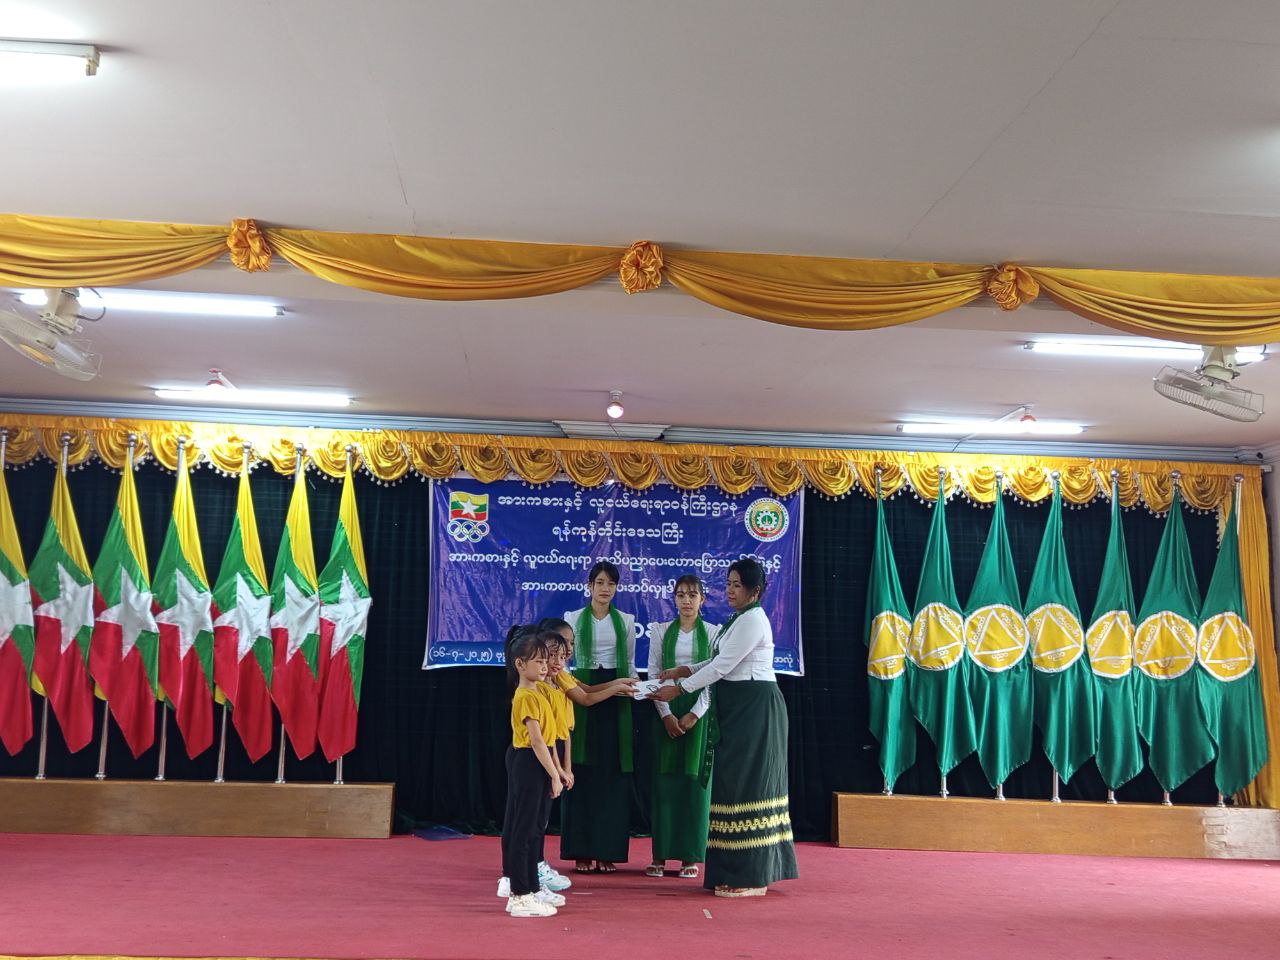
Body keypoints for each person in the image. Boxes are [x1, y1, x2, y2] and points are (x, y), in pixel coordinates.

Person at [650, 558, 799, 897]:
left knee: (749, 786)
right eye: (728, 583)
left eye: (736, 585)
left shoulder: (754, 620)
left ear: (754, 591)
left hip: (755, 709)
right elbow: (717, 660)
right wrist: (683, 670)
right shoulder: (738, 618)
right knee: (733, 785)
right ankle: (733, 869)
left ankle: (751, 877)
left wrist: (679, 689)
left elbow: (723, 667)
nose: (729, 590)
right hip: (737, 709)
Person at [561, 560, 639, 873]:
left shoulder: (627, 621)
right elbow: (565, 662)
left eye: (611, 583)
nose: (605, 589)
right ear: (589, 586)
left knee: (612, 773)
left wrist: (634, 687)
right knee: (582, 771)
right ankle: (581, 850)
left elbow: (630, 663)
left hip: (616, 698)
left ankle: (608, 851)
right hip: (580, 693)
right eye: (600, 582)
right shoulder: (572, 618)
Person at [645, 575, 719, 879]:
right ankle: (660, 856)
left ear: (702, 599)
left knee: (693, 783)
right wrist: (666, 715)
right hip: (666, 708)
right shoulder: (660, 631)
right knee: (665, 783)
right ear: (674, 599)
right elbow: (653, 672)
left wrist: (695, 714)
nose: (686, 600)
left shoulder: (714, 633)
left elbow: (715, 674)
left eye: (692, 595)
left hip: (699, 712)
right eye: (681, 595)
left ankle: (690, 856)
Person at [501, 630, 565, 918]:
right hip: (528, 761)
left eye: (545, 660)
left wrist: (556, 769)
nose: (544, 666)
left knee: (535, 829)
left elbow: (550, 739)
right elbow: (537, 741)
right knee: (523, 829)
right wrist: (554, 774)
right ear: (520, 664)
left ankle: (532, 887)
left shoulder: (541, 692)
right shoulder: (525, 696)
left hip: (539, 761)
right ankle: (519, 894)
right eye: (538, 661)